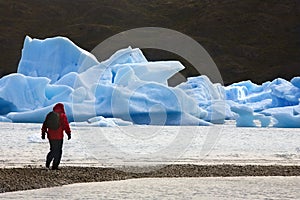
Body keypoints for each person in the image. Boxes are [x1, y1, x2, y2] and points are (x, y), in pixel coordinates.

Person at [41, 103, 71, 170]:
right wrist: (68, 133)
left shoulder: (50, 115)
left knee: (52, 150)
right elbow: (66, 125)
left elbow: (45, 124)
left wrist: (43, 133)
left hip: (51, 136)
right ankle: (55, 166)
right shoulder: (62, 115)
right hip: (59, 136)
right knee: (58, 151)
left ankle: (48, 163)